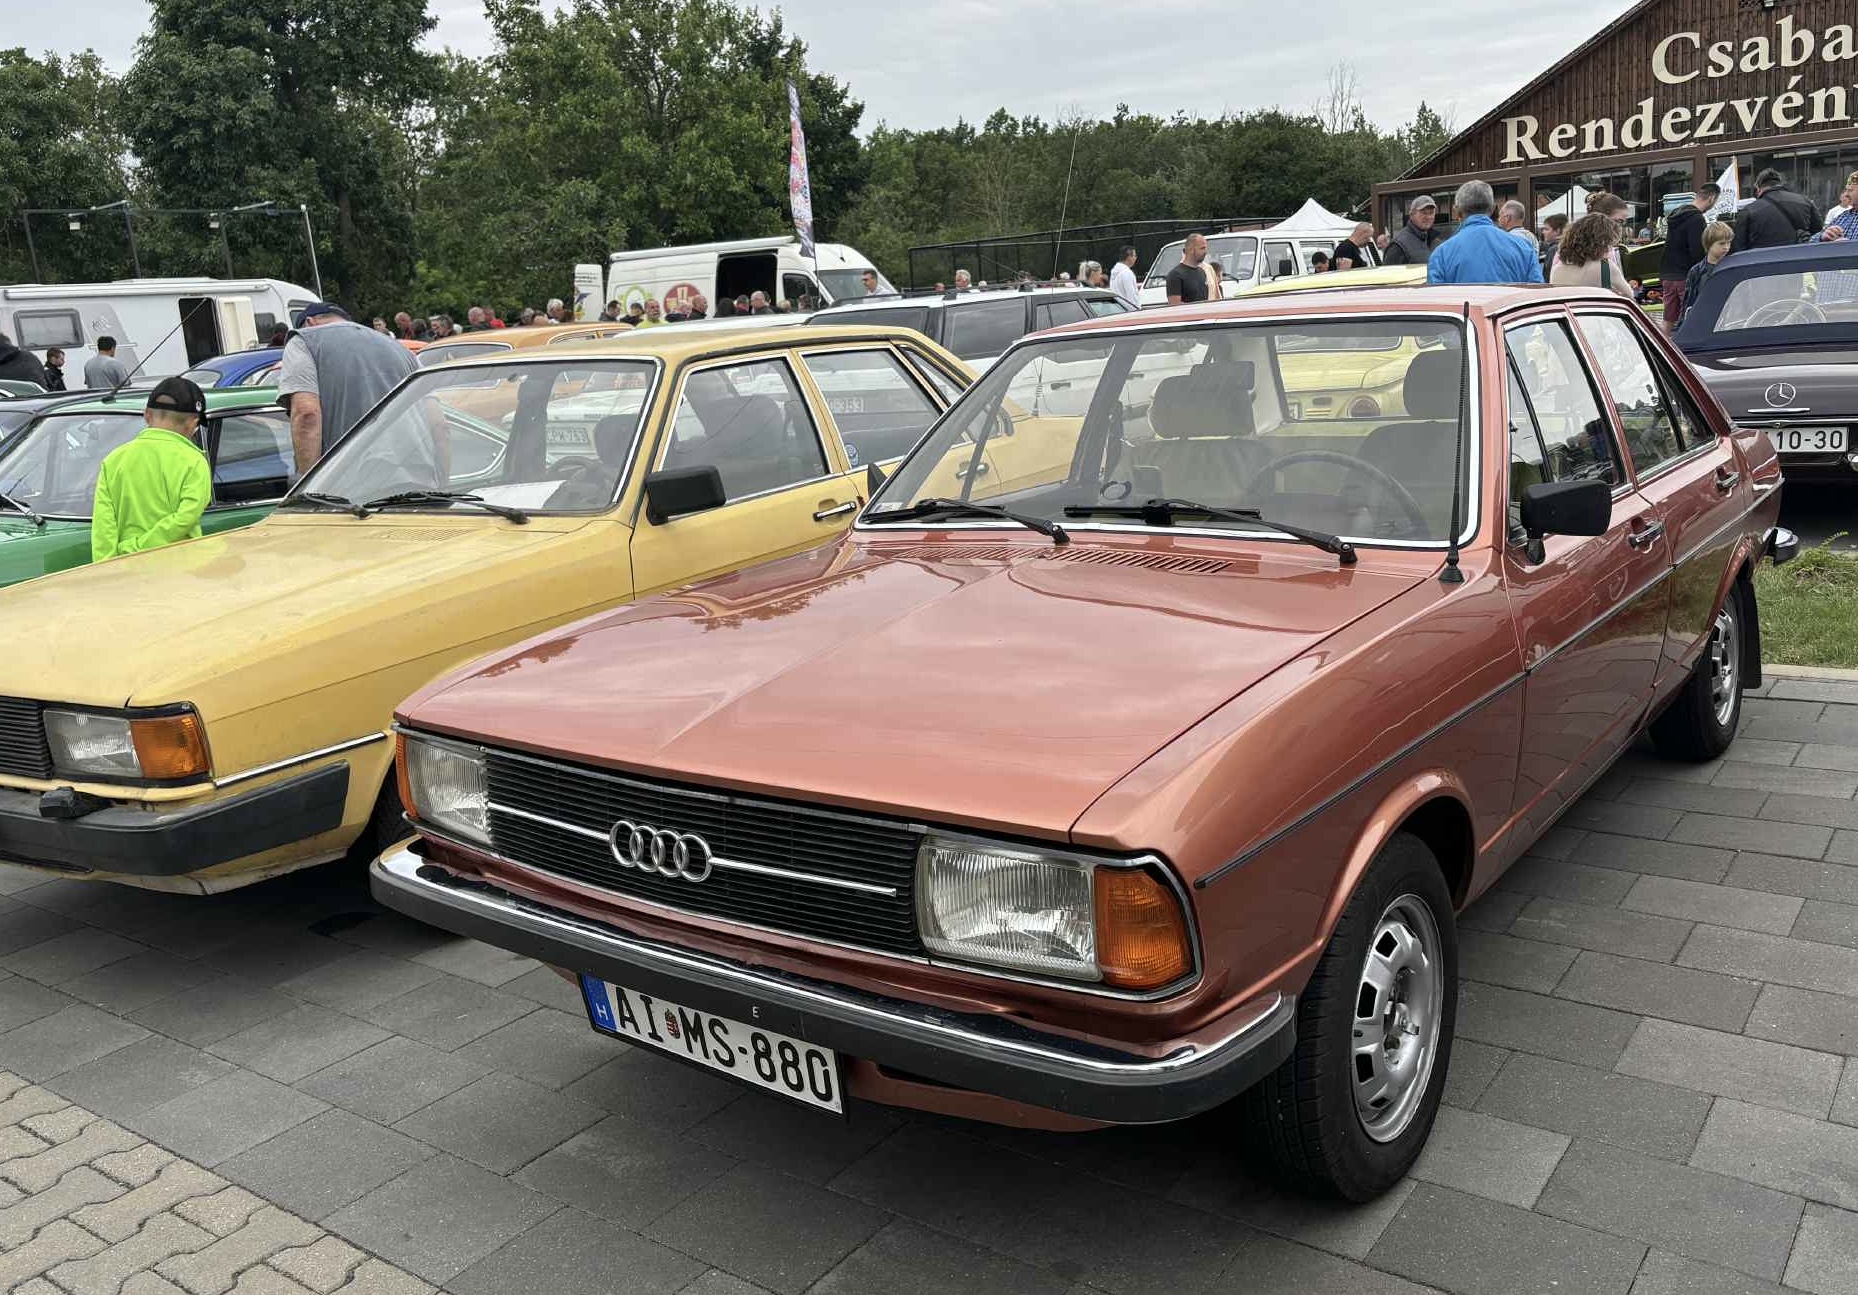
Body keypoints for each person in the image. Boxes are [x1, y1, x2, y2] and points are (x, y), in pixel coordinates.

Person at [275, 302, 416, 474]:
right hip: (416, 479)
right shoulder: (401, 349)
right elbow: (437, 420)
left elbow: (306, 414)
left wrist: (307, 488)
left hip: (351, 484)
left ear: (310, 323)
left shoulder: (303, 341)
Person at [90, 377, 212, 562]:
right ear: (193, 423)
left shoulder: (114, 460)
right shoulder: (194, 461)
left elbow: (103, 526)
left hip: (127, 570)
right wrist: (140, 547)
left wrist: (106, 566)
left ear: (147, 415)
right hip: (182, 569)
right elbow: (185, 518)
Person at [1427, 180, 1545, 286]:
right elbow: (1536, 297)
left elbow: (1437, 302)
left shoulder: (1441, 254)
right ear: (1493, 209)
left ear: (1456, 211)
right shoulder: (1523, 248)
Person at [1660, 185, 1718, 332]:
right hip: (1686, 275)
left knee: (1668, 319)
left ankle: (1660, 349)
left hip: (1668, 274)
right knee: (1690, 317)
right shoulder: (1697, 218)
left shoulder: (1676, 214)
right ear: (1711, 198)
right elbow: (1697, 251)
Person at [1733, 169, 1823, 251]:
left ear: (1758, 188)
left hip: (1762, 263)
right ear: (1780, 183)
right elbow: (1818, 232)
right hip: (1799, 258)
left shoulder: (1749, 210)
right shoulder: (1805, 201)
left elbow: (1739, 245)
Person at [1549, 213, 1632, 298]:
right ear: (1601, 243)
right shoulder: (1606, 267)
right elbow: (1629, 296)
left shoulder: (1557, 269)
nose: (1610, 249)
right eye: (1609, 244)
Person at [1680, 221, 1736, 324]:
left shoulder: (1732, 267)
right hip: (1703, 319)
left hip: (1727, 319)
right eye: (1722, 243)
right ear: (1709, 244)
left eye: (1729, 242)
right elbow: (1688, 301)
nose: (1726, 247)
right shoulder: (1696, 271)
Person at [1383, 195, 1445, 266]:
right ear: (1412, 214)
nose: (1428, 217)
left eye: (1431, 213)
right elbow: (1388, 275)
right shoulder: (1398, 246)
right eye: (1423, 213)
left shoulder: (1437, 243)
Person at [1165, 234, 1213, 305]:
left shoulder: (1202, 272)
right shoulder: (1175, 275)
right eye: (1202, 248)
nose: (1205, 252)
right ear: (1191, 250)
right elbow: (1174, 304)